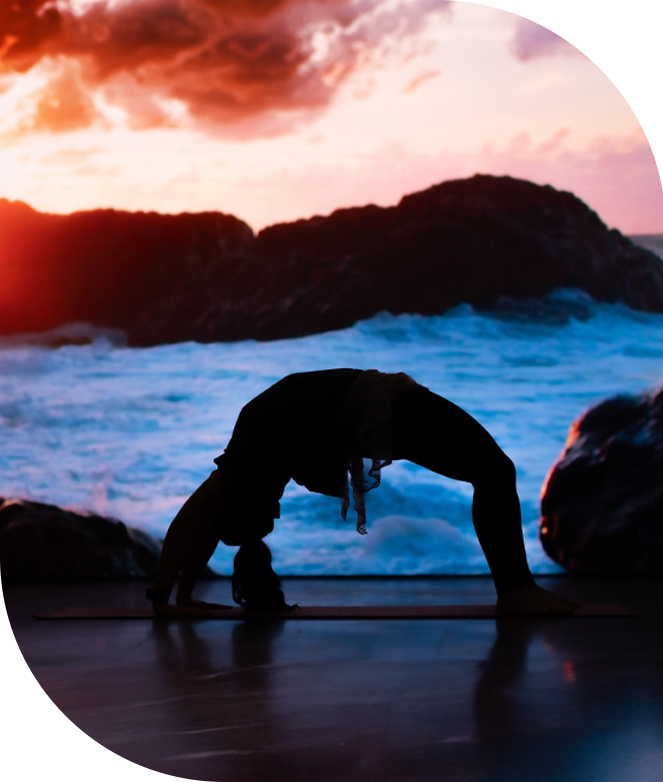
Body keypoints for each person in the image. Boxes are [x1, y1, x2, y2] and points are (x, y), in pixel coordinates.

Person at [146, 369, 578, 616]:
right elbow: (202, 524)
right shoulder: (249, 460)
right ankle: (516, 591)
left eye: (263, 518)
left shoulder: (247, 456)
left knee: (494, 471)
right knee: (494, 471)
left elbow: (195, 521)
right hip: (377, 404)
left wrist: (170, 598)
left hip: (374, 403)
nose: (274, 517)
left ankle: (516, 591)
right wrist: (178, 597)